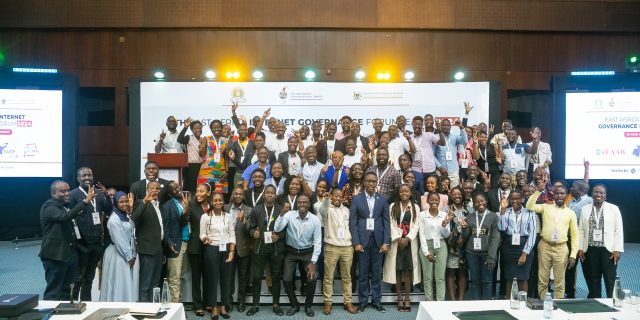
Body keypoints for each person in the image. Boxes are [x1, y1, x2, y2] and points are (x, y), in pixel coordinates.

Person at [40, 180, 95, 301]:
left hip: (69, 254)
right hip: (55, 255)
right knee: (53, 291)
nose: (67, 193)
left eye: (68, 190)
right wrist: (85, 201)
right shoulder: (48, 206)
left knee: (66, 290)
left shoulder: (64, 207)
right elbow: (65, 217)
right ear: (54, 193)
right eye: (63, 191)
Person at [526, 184, 578, 299]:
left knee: (559, 282)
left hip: (561, 248)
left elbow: (575, 235)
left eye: (562, 193)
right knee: (543, 280)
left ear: (566, 195)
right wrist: (538, 191)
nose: (559, 195)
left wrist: (573, 254)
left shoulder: (571, 213)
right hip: (545, 246)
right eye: (557, 193)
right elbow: (529, 206)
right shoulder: (545, 207)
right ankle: (543, 304)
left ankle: (558, 306)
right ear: (553, 195)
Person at [274, 195, 322, 317]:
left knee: (312, 279)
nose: (302, 204)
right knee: (286, 279)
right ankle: (294, 305)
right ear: (297, 204)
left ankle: (308, 306)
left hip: (307, 253)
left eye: (305, 202)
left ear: (309, 205)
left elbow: (317, 242)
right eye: (300, 202)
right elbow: (277, 228)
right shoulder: (289, 215)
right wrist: (282, 213)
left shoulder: (314, 219)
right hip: (291, 252)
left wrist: (313, 261)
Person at [349, 172, 390, 313]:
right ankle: (363, 301)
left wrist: (386, 242)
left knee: (376, 273)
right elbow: (352, 223)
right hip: (362, 241)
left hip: (378, 241)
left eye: (373, 181)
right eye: (368, 181)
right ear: (364, 183)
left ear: (376, 182)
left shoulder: (383, 200)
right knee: (364, 273)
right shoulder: (356, 199)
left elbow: (386, 223)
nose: (371, 184)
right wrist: (356, 242)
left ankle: (377, 301)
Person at [69, 167, 112, 301]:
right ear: (78, 179)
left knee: (90, 277)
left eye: (89, 175)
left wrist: (106, 196)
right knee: (78, 277)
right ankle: (74, 305)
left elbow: (108, 210)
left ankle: (87, 304)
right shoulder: (73, 195)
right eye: (84, 176)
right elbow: (69, 215)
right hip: (81, 242)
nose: (87, 178)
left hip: (97, 242)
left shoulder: (99, 194)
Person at [245, 185, 287, 317]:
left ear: (275, 195)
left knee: (275, 277)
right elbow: (250, 227)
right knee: (257, 277)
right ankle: (255, 305)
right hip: (259, 247)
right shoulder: (256, 210)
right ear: (264, 195)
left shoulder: (281, 210)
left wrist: (279, 236)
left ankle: (276, 305)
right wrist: (253, 233)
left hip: (275, 249)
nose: (269, 195)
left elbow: (287, 230)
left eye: (272, 193)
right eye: (267, 192)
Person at [577, 184, 624, 298]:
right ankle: (596, 302)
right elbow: (581, 230)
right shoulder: (585, 209)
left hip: (608, 250)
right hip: (590, 249)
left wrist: (617, 249)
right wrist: (580, 248)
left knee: (609, 278)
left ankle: (612, 302)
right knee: (593, 278)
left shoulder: (614, 208)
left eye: (601, 193)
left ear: (605, 196)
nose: (598, 194)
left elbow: (619, 230)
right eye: (596, 192)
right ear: (592, 194)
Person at [317, 189, 358, 315]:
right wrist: (326, 199)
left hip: (347, 247)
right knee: (328, 277)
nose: (338, 198)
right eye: (336, 196)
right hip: (331, 246)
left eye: (340, 196)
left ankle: (348, 302)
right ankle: (328, 303)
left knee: (347, 277)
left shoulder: (346, 210)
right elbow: (321, 209)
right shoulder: (326, 208)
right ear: (332, 197)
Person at [384, 184, 421, 309]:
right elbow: (390, 224)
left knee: (408, 271)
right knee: (398, 271)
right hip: (397, 243)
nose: (404, 193)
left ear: (410, 193)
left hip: (409, 243)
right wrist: (398, 238)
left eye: (406, 191)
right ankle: (399, 298)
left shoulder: (415, 207)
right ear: (398, 193)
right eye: (401, 191)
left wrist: (408, 238)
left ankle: (407, 298)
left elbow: (416, 225)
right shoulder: (393, 206)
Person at [200, 193, 236, 319]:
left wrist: (232, 252)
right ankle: (213, 308)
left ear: (223, 202)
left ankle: (223, 308)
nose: (218, 202)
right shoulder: (205, 217)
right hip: (211, 248)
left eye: (220, 200)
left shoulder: (229, 216)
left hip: (226, 249)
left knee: (226, 280)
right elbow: (202, 233)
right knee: (212, 279)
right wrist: (205, 238)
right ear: (211, 202)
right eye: (215, 200)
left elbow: (232, 234)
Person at [497, 190, 537, 299]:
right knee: (509, 277)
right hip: (508, 247)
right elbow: (501, 228)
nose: (515, 201)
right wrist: (503, 210)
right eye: (512, 199)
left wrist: (525, 253)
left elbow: (533, 234)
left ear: (522, 199)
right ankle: (509, 302)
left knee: (523, 278)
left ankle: (523, 303)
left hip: (524, 246)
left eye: (517, 198)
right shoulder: (506, 211)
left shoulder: (530, 212)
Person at [100, 192, 139, 302]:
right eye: (121, 202)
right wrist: (129, 257)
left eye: (126, 201)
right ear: (115, 203)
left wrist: (134, 253)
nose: (124, 204)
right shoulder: (114, 219)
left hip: (129, 253)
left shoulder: (125, 216)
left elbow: (131, 236)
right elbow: (119, 240)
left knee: (125, 282)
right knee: (118, 281)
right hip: (118, 254)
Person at [461, 192, 500, 300]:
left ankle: (486, 307)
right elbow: (466, 236)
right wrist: (464, 228)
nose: (480, 203)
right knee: (475, 281)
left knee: (487, 281)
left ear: (486, 202)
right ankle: (476, 306)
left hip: (487, 254)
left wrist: (492, 257)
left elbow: (495, 238)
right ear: (474, 204)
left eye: (482, 201)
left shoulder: (493, 217)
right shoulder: (470, 217)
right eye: (477, 202)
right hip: (472, 254)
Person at [131, 181, 164, 302]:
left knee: (155, 283)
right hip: (147, 249)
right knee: (145, 284)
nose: (155, 190)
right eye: (152, 188)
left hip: (158, 249)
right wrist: (145, 201)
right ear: (146, 189)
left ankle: (153, 308)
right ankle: (144, 311)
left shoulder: (158, 205)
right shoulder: (140, 202)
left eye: (157, 188)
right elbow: (134, 219)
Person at [418, 192, 452, 301]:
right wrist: (426, 252)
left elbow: (447, 235)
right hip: (426, 245)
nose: (434, 201)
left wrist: (444, 225)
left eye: (436, 200)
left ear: (439, 201)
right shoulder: (422, 215)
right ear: (427, 201)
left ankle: (440, 303)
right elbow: (421, 234)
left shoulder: (444, 215)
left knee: (440, 278)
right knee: (428, 278)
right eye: (431, 199)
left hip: (441, 245)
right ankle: (429, 302)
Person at [224, 187, 253, 312]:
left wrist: (244, 220)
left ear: (244, 196)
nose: (238, 195)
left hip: (243, 248)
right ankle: (228, 302)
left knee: (243, 277)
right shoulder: (225, 208)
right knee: (228, 277)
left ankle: (241, 301)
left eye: (240, 194)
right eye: (235, 193)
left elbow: (250, 230)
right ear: (232, 195)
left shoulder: (249, 210)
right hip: (227, 248)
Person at [161, 181, 190, 303]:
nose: (178, 189)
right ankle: (175, 309)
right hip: (175, 245)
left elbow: (183, 222)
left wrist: (185, 209)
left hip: (186, 242)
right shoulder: (167, 206)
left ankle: (179, 305)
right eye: (174, 189)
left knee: (181, 276)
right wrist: (169, 242)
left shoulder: (184, 203)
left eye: (178, 186)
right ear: (169, 193)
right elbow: (165, 228)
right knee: (174, 278)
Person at [187, 182, 212, 317]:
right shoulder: (191, 206)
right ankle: (197, 305)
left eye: (202, 191)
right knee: (196, 277)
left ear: (208, 193)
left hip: (210, 247)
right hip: (195, 246)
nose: (198, 194)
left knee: (208, 276)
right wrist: (185, 211)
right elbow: (184, 222)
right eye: (197, 191)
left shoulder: (214, 206)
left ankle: (208, 302)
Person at [446, 187, 470, 300]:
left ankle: (460, 299)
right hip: (451, 246)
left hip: (465, 246)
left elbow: (472, 228)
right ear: (450, 196)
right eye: (454, 194)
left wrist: (464, 239)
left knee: (463, 272)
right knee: (451, 272)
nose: (457, 196)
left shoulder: (470, 210)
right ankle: (452, 299)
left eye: (459, 194)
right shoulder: (446, 209)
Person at [198, 120, 229, 195]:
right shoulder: (206, 138)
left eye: (218, 127)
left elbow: (226, 158)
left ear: (222, 128)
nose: (216, 129)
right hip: (206, 172)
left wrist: (227, 172)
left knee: (219, 196)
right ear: (211, 129)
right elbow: (201, 155)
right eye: (214, 127)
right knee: (205, 194)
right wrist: (201, 149)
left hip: (220, 173)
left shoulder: (226, 141)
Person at [434, 119, 467, 188]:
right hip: (441, 170)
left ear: (450, 127)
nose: (445, 127)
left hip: (453, 170)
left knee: (454, 191)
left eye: (447, 125)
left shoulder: (455, 137)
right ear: (440, 126)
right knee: (441, 191)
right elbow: (432, 155)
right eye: (443, 125)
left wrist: (461, 127)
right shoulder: (435, 137)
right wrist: (439, 167)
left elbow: (464, 141)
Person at [177, 118, 207, 192]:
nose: (198, 130)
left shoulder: (203, 139)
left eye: (200, 128)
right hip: (190, 166)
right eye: (196, 128)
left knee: (199, 186)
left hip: (201, 166)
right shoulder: (188, 138)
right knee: (190, 187)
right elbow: (179, 139)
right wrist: (185, 127)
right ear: (192, 130)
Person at [227, 122, 256, 189]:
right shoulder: (234, 143)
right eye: (241, 130)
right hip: (239, 171)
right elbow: (228, 151)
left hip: (251, 172)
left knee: (249, 191)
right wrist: (230, 138)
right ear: (238, 131)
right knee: (238, 192)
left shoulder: (252, 142)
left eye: (245, 130)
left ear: (247, 131)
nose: (243, 131)